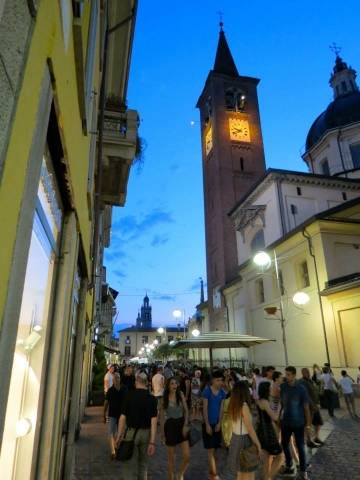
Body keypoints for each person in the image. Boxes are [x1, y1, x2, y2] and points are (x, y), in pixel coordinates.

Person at [116, 372, 157, 480]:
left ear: (136, 382)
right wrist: (152, 441)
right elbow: (154, 422)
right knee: (143, 464)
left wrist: (119, 435)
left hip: (131, 433)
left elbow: (122, 417)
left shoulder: (129, 395)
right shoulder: (152, 399)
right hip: (146, 433)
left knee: (129, 464)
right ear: (146, 383)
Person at [280, 366, 312, 480]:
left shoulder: (301, 389)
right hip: (285, 422)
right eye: (286, 374)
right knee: (284, 443)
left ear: (294, 375)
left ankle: (303, 471)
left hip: (298, 423)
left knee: (300, 447)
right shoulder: (283, 387)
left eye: (288, 374)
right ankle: (289, 464)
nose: (286, 376)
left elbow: (306, 407)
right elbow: (281, 403)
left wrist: (308, 424)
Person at [228, 381, 261, 480]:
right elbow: (250, 429)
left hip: (235, 439)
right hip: (244, 441)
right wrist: (258, 444)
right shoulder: (244, 406)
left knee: (240, 473)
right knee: (249, 473)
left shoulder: (233, 404)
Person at [160, 377, 190, 480]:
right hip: (170, 426)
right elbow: (162, 418)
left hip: (181, 424)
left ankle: (180, 473)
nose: (174, 385)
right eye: (172, 384)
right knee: (171, 459)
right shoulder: (164, 398)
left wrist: (186, 425)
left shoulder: (180, 394)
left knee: (187, 457)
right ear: (168, 385)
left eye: (176, 383)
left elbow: (186, 411)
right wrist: (162, 434)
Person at [202, 370, 226, 480]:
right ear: (213, 380)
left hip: (217, 424)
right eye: (218, 380)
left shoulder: (222, 393)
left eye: (221, 380)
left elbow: (221, 409)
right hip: (208, 423)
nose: (220, 382)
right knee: (210, 451)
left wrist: (219, 423)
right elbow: (205, 409)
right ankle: (214, 475)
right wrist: (207, 424)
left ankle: (212, 473)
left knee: (215, 451)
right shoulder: (207, 391)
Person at [256, 381, 283, 480]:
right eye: (270, 388)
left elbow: (260, 418)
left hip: (261, 431)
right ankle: (268, 478)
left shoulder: (259, 401)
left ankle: (266, 477)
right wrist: (279, 406)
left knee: (266, 459)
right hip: (268, 432)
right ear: (266, 390)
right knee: (280, 457)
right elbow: (275, 417)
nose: (272, 389)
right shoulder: (265, 402)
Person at [299, 368, 324, 447]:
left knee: (319, 422)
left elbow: (314, 391)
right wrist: (312, 405)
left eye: (308, 372)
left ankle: (316, 437)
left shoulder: (309, 380)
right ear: (302, 373)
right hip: (309, 407)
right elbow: (306, 395)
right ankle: (308, 440)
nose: (308, 373)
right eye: (306, 372)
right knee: (308, 424)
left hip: (315, 405)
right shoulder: (302, 382)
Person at [106, 373, 128, 459]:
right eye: (115, 378)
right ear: (113, 380)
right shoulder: (110, 390)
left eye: (118, 378)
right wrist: (104, 414)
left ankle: (117, 447)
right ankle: (113, 452)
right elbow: (106, 403)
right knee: (111, 433)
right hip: (112, 414)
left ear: (120, 379)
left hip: (122, 415)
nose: (117, 379)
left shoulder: (125, 389)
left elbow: (127, 402)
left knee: (121, 433)